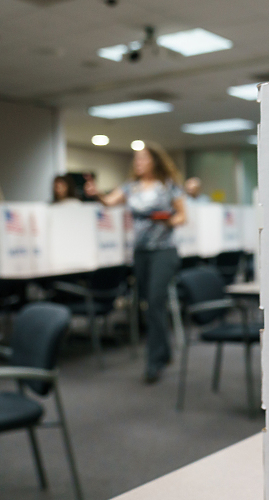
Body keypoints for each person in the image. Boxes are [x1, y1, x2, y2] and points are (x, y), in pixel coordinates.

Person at [85, 143, 186, 383]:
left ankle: (154, 363)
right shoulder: (130, 188)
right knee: (148, 305)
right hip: (141, 253)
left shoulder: (168, 186)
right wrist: (96, 193)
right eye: (136, 159)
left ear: (154, 161)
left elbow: (182, 216)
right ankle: (164, 352)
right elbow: (109, 203)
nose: (138, 163)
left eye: (143, 159)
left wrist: (168, 222)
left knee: (155, 301)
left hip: (164, 251)